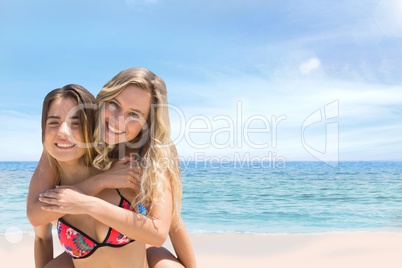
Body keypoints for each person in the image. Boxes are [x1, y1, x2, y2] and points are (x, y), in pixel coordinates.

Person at [27, 68, 196, 267]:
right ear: (103, 100)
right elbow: (37, 218)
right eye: (114, 104)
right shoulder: (68, 143)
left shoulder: (152, 154)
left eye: (133, 114)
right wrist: (99, 182)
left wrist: (87, 204)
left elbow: (172, 223)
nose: (118, 120)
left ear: (146, 123)